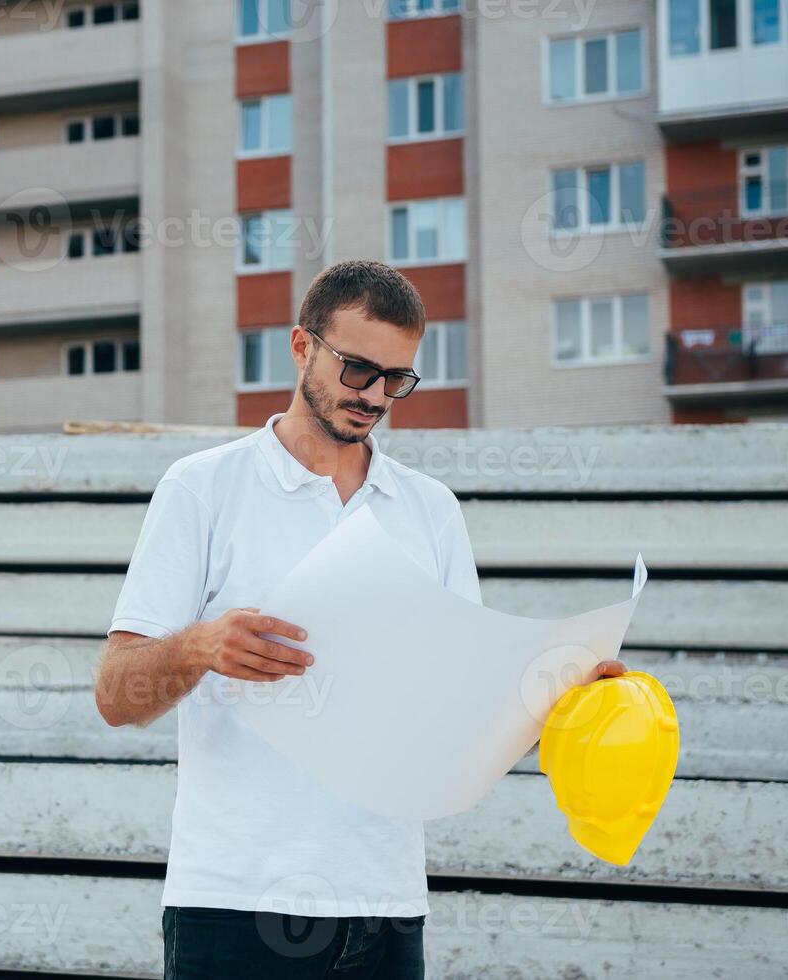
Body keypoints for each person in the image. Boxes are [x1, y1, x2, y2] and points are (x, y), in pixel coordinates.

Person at [94, 260, 625, 979]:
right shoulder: (202, 489)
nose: (374, 395)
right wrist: (197, 647)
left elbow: (463, 714)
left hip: (384, 905)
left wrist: (565, 697)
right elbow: (114, 698)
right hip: (232, 901)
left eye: (396, 379)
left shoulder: (429, 509)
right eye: (356, 370)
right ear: (300, 346)